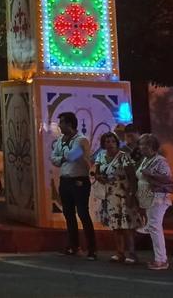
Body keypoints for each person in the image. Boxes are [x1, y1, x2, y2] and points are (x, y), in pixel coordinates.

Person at [50, 112, 96, 259]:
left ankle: (92, 248)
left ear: (69, 124)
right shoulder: (59, 140)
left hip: (79, 180)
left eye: (61, 122)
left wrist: (62, 158)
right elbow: (53, 159)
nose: (59, 125)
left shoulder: (81, 140)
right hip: (65, 180)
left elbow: (72, 156)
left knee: (83, 213)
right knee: (68, 214)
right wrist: (63, 158)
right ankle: (73, 245)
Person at [93, 132, 140, 264]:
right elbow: (97, 172)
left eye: (112, 141)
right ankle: (119, 252)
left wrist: (131, 194)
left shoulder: (124, 157)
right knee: (115, 225)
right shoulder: (101, 156)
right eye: (107, 141)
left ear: (117, 142)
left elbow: (132, 177)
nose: (110, 144)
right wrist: (99, 177)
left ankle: (132, 253)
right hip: (109, 194)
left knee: (127, 224)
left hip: (124, 193)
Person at [136, 133, 173, 270]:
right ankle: (160, 258)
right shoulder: (146, 159)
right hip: (147, 198)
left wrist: (150, 174)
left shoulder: (160, 160)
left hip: (157, 198)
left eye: (142, 145)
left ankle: (161, 260)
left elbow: (168, 178)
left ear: (150, 146)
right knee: (153, 227)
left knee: (155, 227)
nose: (140, 148)